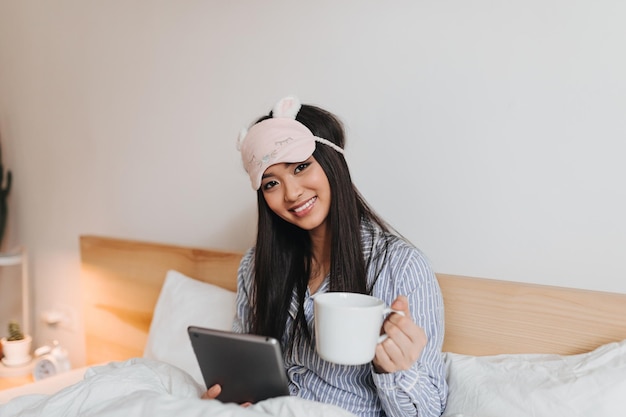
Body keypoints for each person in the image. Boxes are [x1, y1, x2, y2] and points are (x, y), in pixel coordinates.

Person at [204, 96, 448, 417]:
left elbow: (426, 412)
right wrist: (227, 398)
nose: (291, 193)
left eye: (301, 167)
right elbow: (242, 371)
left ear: (332, 162)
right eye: (271, 183)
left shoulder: (400, 267)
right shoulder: (255, 266)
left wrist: (396, 370)